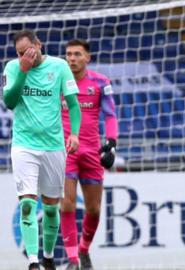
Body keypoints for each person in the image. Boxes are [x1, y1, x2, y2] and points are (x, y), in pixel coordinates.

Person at [2, 29, 81, 270]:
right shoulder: (13, 68)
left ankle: (48, 256)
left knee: (49, 208)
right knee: (27, 203)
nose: (23, 56)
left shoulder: (59, 67)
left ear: (39, 44)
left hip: (54, 146)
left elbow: (74, 105)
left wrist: (75, 133)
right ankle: (33, 262)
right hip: (24, 145)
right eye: (19, 53)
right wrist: (23, 72)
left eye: (27, 51)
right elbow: (10, 102)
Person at [60, 39, 118, 270]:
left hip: (92, 151)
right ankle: (73, 260)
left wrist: (111, 143)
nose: (72, 58)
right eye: (68, 54)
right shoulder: (58, 82)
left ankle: (83, 250)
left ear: (87, 58)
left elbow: (110, 115)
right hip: (65, 151)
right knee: (67, 204)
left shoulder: (101, 82)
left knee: (94, 209)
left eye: (77, 54)